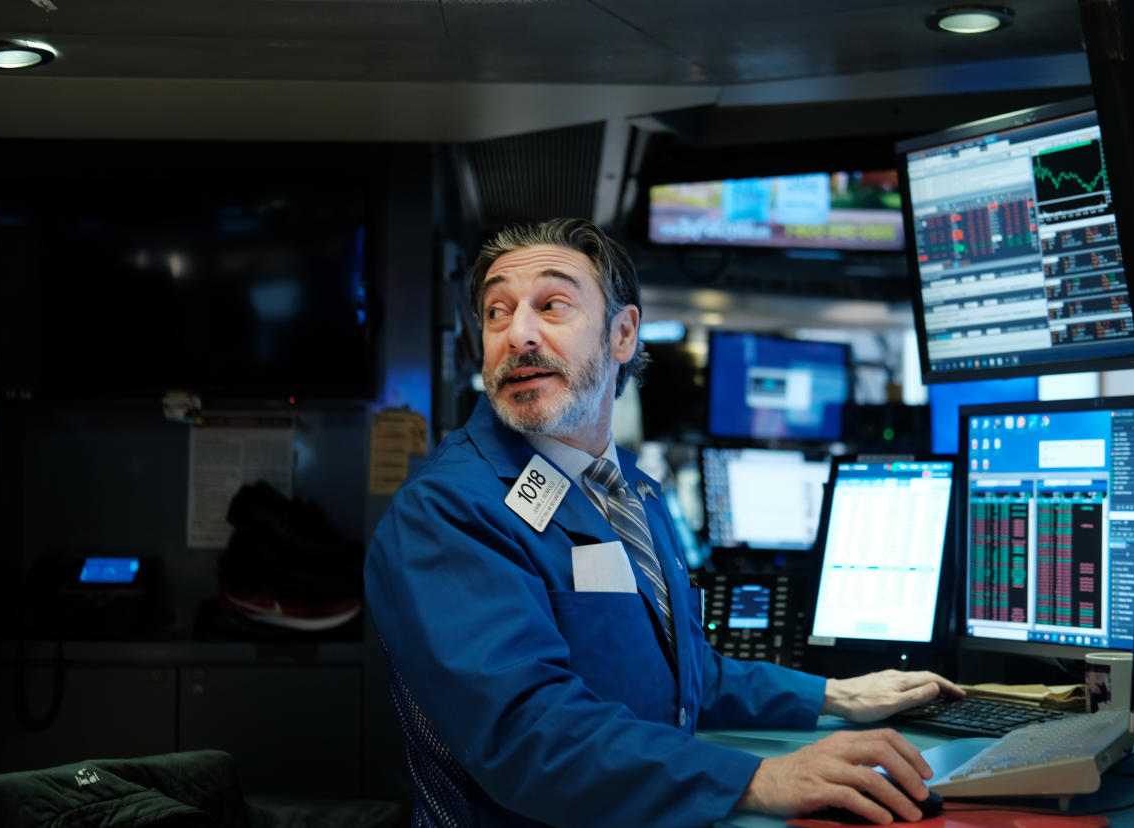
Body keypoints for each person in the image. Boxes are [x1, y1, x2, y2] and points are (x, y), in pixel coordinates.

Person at [365, 218, 964, 827]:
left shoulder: (629, 489)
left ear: (621, 334)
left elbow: (682, 671)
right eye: (497, 311)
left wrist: (834, 696)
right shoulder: (447, 512)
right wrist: (758, 776)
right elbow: (529, 735)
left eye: (551, 305)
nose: (518, 332)